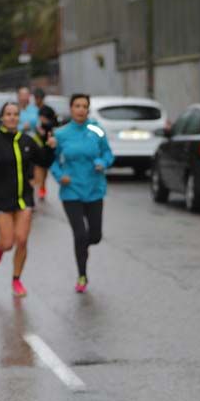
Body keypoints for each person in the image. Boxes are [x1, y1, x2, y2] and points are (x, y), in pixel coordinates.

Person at [0, 102, 54, 297]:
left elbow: (44, 161)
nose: (12, 117)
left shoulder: (27, 141)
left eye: (15, 114)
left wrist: (50, 148)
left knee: (22, 240)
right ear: (2, 118)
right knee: (8, 243)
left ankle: (16, 279)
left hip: (24, 199)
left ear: (19, 118)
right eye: (8, 114)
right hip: (3, 199)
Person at [50, 94, 114, 293]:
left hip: (94, 189)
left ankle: (84, 247)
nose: (80, 109)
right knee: (80, 234)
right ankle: (82, 275)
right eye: (77, 106)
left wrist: (102, 163)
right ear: (71, 109)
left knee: (94, 236)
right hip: (71, 191)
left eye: (84, 106)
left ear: (88, 109)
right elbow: (52, 161)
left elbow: (108, 153)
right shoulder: (60, 134)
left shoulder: (95, 129)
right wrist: (60, 176)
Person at [32, 88, 56, 200]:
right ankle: (37, 188)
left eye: (38, 98)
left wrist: (46, 124)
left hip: (45, 144)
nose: (36, 100)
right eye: (35, 98)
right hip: (34, 143)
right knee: (37, 167)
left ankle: (42, 186)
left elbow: (55, 124)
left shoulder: (48, 110)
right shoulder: (32, 110)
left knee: (44, 168)